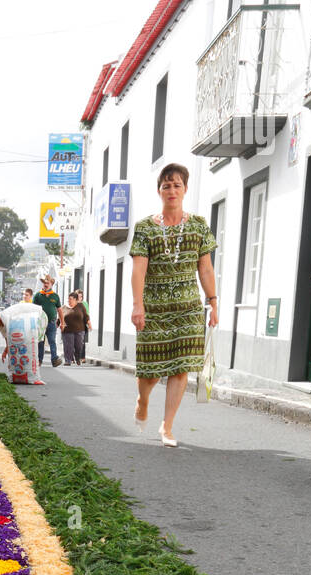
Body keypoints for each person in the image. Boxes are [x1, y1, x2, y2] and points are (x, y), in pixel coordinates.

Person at [130, 162, 218, 445]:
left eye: (176, 185)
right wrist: (137, 305)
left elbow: (205, 268)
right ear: (159, 191)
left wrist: (213, 302)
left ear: (185, 189)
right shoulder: (145, 228)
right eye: (166, 185)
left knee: (181, 368)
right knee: (151, 371)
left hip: (188, 309)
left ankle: (167, 426)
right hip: (153, 309)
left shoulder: (199, 226)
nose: (171, 190)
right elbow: (139, 270)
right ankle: (143, 401)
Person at [33, 274, 62, 366]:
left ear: (51, 284)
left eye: (47, 283)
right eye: (44, 282)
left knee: (52, 341)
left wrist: (63, 322)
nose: (46, 284)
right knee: (40, 342)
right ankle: (39, 360)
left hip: (51, 323)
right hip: (40, 323)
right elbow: (33, 308)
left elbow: (60, 310)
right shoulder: (38, 295)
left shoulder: (55, 296)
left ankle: (54, 359)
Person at [60, 292, 90, 367]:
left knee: (78, 346)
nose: (69, 301)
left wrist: (89, 323)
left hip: (79, 330)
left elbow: (86, 316)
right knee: (68, 346)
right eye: (68, 299)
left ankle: (77, 358)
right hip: (67, 330)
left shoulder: (80, 306)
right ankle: (68, 360)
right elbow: (60, 318)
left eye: (71, 299)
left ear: (76, 300)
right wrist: (57, 325)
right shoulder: (64, 307)